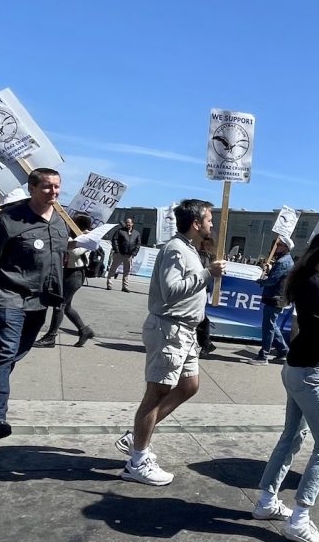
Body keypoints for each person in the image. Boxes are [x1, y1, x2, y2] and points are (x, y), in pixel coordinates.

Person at [114, 200, 226, 485]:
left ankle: (136, 435)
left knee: (189, 386)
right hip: (169, 329)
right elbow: (171, 290)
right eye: (209, 220)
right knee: (157, 393)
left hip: (185, 332)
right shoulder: (175, 248)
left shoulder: (188, 248)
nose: (212, 225)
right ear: (196, 223)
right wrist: (206, 274)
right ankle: (137, 460)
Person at [252, 231, 319, 542]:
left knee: (292, 435)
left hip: (296, 368)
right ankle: (300, 517)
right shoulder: (315, 285)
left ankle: (266, 499)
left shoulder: (306, 279)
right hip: (308, 372)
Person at [0, 168, 68, 442]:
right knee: (2, 356)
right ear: (32, 188)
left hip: (39, 303)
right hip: (8, 298)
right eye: (46, 187)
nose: (52, 192)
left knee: (13, 357)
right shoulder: (8, 221)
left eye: (56, 187)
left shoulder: (60, 224)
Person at [33, 213, 96, 348]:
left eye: (72, 221)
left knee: (59, 305)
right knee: (66, 307)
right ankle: (84, 330)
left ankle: (51, 336)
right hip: (65, 271)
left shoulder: (88, 238)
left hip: (75, 274)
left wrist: (69, 239)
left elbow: (74, 252)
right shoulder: (70, 235)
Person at [253, 236, 294, 364]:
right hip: (276, 297)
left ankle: (263, 356)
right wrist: (270, 270)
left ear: (285, 248)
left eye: (279, 245)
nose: (276, 247)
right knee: (272, 325)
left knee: (268, 327)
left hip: (275, 297)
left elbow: (273, 280)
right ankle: (283, 350)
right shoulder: (284, 260)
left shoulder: (283, 262)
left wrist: (261, 281)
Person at [106, 217, 141, 292]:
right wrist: (117, 250)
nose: (128, 224)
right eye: (126, 222)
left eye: (129, 222)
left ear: (132, 223)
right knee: (113, 269)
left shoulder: (136, 233)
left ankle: (125, 287)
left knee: (127, 271)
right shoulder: (120, 231)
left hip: (129, 255)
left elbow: (138, 244)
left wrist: (134, 253)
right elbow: (114, 240)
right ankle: (109, 284)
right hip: (119, 254)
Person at [195, 237, 216, 356]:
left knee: (201, 318)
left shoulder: (210, 257)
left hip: (203, 289)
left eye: (208, 245)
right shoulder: (199, 254)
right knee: (200, 317)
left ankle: (206, 344)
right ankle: (206, 344)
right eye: (204, 244)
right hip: (197, 287)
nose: (206, 247)